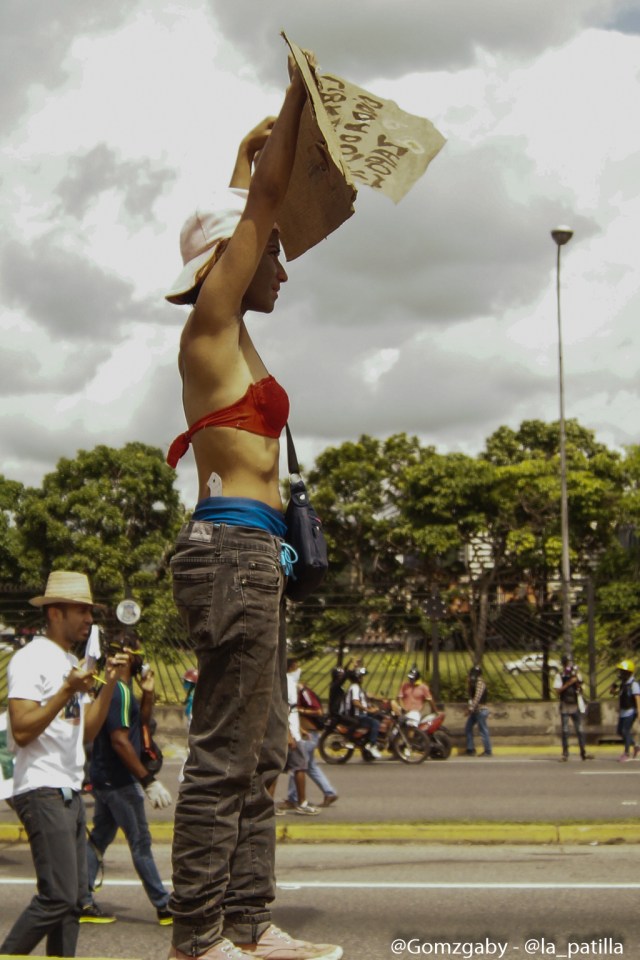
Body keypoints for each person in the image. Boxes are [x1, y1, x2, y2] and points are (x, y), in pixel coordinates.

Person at [164, 46, 342, 960]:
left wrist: (245, 153)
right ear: (223, 268)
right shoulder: (210, 330)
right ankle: (198, 935)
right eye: (268, 257)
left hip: (255, 556)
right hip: (230, 554)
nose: (282, 267)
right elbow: (257, 214)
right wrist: (293, 100)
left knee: (265, 753)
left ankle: (248, 921)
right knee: (229, 755)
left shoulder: (237, 342)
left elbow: (246, 209)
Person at [0, 570, 127, 958]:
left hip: (69, 790)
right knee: (55, 897)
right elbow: (21, 730)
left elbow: (86, 732)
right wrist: (67, 689)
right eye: (81, 611)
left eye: (90, 611)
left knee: (72, 901)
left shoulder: (71, 662)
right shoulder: (31, 659)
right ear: (55, 613)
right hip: (41, 787)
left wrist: (108, 683)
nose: (89, 619)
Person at [80, 636, 173, 925]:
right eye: (139, 656)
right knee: (140, 843)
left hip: (107, 779)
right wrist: (148, 781)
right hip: (118, 779)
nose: (142, 662)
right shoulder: (118, 691)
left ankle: (81, 900)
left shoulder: (121, 691)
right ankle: (164, 905)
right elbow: (120, 741)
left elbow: (139, 725)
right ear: (128, 657)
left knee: (100, 838)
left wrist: (148, 694)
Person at [281, 660, 337, 810]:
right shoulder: (292, 685)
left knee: (298, 767)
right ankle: (329, 792)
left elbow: (318, 711)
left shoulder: (302, 691)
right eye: (297, 667)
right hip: (302, 732)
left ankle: (295, 799)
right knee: (308, 766)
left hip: (305, 734)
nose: (299, 670)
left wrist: (299, 712)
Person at [553, 655, 593, 762]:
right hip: (565, 704)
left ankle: (583, 752)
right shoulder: (559, 675)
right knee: (565, 730)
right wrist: (569, 682)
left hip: (575, 704)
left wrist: (577, 683)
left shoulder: (577, 675)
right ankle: (565, 753)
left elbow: (582, 689)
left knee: (580, 729)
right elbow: (557, 691)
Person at [344, 667, 383, 759]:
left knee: (378, 717)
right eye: (361, 676)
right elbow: (355, 702)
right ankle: (371, 745)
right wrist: (367, 710)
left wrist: (379, 702)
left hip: (361, 713)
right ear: (357, 678)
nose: (362, 678)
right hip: (356, 715)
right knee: (375, 723)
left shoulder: (358, 688)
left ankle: (366, 750)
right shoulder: (354, 688)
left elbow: (366, 697)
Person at [609, 659, 640, 762]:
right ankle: (635, 745)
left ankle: (626, 753)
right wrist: (613, 689)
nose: (620, 673)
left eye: (622, 671)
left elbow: (637, 699)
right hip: (623, 711)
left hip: (630, 711)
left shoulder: (633, 684)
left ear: (628, 672)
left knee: (625, 730)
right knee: (620, 731)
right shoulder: (623, 684)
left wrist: (639, 712)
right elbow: (615, 694)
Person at [465, 665, 493, 757]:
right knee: (468, 728)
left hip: (481, 711)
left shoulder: (480, 683)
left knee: (483, 730)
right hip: (475, 711)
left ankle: (488, 751)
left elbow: (477, 697)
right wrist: (469, 684)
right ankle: (470, 749)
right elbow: (470, 697)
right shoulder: (473, 683)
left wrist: (470, 709)